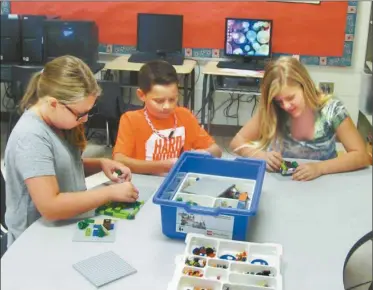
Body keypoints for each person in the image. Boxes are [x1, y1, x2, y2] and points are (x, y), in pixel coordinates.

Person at [4, 55, 139, 247]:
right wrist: (110, 193)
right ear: (53, 103)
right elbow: (51, 207)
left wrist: (100, 164)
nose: (84, 120)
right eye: (81, 114)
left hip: (64, 228)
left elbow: (59, 165)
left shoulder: (57, 122)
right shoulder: (31, 137)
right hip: (35, 242)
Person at [230, 56, 370, 181]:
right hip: (283, 182)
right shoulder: (273, 109)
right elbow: (237, 142)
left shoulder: (331, 109)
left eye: (291, 98)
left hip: (323, 182)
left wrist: (320, 168)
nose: (285, 106)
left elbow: (361, 155)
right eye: (279, 101)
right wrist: (260, 155)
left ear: (305, 86)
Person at [113, 60, 222, 175]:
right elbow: (119, 160)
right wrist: (162, 166)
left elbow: (216, 151)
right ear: (141, 95)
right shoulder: (131, 120)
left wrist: (202, 154)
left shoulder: (185, 116)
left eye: (172, 99)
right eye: (159, 101)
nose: (167, 106)